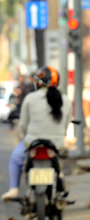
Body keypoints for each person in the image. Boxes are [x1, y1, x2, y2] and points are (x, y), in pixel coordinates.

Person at [1, 66, 72, 202]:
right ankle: (60, 178)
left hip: (32, 142)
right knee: (60, 159)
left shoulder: (30, 98)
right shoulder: (65, 100)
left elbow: (23, 125)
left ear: (38, 82)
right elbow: (65, 125)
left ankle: (13, 189)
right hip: (56, 143)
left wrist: (25, 137)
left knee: (16, 159)